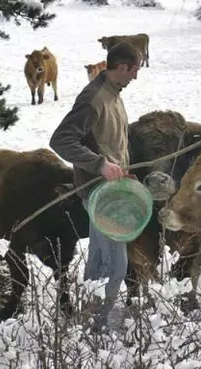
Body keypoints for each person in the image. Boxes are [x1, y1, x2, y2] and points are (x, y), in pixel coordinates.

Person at [49, 42, 141, 328]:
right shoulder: (94, 98)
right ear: (122, 67)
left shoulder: (114, 94)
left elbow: (111, 141)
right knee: (116, 263)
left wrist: (121, 168)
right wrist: (101, 165)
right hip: (99, 192)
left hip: (112, 188)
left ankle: (89, 321)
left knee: (100, 257)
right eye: (135, 70)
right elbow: (61, 140)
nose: (136, 76)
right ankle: (99, 326)